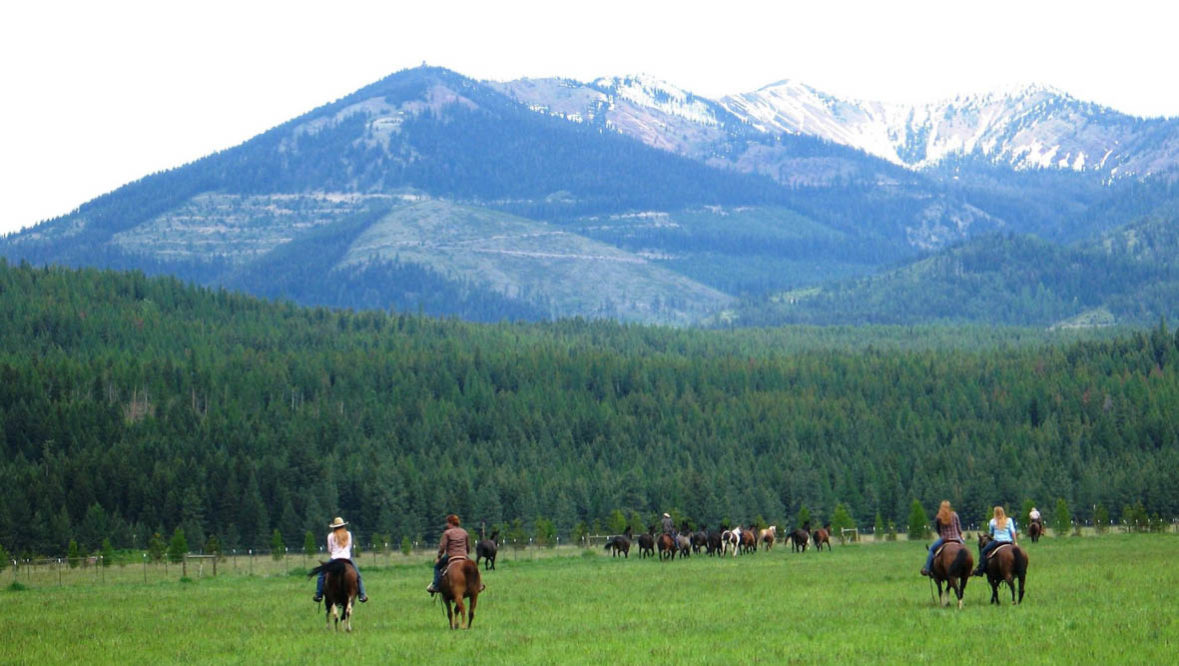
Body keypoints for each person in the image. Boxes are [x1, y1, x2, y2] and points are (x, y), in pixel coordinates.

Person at [313, 516, 367, 603]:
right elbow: (349, 547)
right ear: (343, 526)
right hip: (346, 558)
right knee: (358, 575)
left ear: (334, 527)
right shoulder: (348, 534)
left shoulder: (330, 536)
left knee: (321, 574)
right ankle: (362, 594)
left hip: (334, 559)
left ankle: (319, 595)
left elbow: (330, 550)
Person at [427, 514, 479, 595]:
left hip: (451, 556)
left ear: (450, 523)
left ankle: (436, 586)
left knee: (437, 567)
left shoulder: (447, 533)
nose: (447, 524)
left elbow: (442, 546)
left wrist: (439, 557)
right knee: (474, 567)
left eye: (448, 523)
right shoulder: (464, 532)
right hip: (463, 556)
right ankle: (478, 585)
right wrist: (466, 553)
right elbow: (468, 546)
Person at [920, 500, 963, 576]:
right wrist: (960, 536)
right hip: (957, 538)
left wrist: (941, 535)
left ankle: (927, 569)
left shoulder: (939, 517)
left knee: (931, 550)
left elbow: (938, 530)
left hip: (945, 539)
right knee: (965, 551)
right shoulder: (955, 515)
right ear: (949, 507)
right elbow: (959, 528)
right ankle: (969, 570)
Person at [973, 505, 1018, 576]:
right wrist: (1015, 542)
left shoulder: (992, 521)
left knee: (984, 552)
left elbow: (991, 533)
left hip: (997, 542)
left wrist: (989, 535)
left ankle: (980, 570)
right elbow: (1013, 532)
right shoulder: (1009, 520)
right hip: (1009, 542)